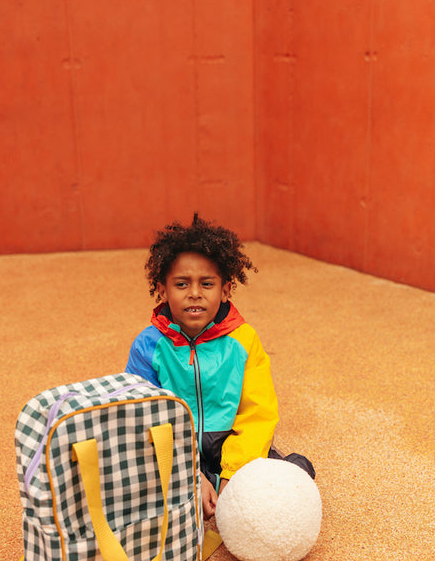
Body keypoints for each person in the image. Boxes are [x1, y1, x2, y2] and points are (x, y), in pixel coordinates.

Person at [125, 213, 315, 520]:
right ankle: (201, 485)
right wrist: (190, 473)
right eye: (181, 284)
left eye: (207, 284)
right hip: (176, 448)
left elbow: (258, 414)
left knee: (288, 479)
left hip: (230, 444)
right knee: (140, 486)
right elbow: (143, 417)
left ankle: (224, 481)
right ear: (162, 289)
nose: (195, 293)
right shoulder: (148, 345)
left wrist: (233, 475)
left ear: (225, 290)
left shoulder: (243, 340)